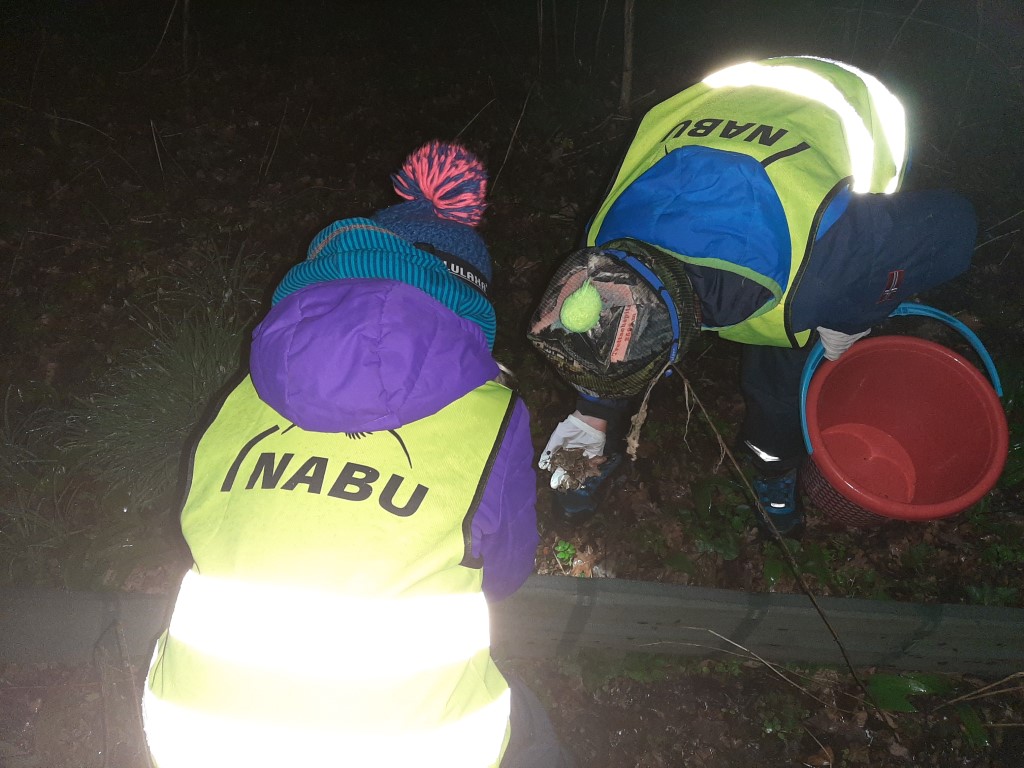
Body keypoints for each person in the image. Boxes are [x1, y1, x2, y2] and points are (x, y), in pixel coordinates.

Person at [143, 142, 570, 768]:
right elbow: (503, 576)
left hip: (196, 734)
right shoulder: (493, 417)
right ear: (470, 308)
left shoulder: (241, 397)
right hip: (405, 748)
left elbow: (195, 522)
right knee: (531, 733)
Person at [528, 56, 978, 533]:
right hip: (734, 98)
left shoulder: (819, 271)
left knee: (781, 366)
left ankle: (773, 471)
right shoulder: (601, 243)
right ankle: (597, 442)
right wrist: (589, 414)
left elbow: (954, 224)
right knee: (655, 334)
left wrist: (851, 310)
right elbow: (615, 329)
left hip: (853, 108)